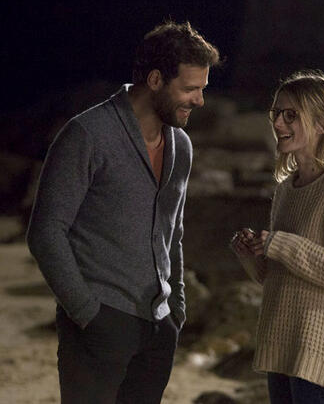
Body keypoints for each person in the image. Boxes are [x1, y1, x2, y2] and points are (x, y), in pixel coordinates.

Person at [26, 21, 219, 404]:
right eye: (190, 89)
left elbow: (172, 234)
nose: (199, 100)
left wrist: (176, 309)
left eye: (203, 89)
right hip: (100, 322)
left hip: (159, 328)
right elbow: (46, 232)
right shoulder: (88, 134)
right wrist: (86, 312)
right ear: (155, 80)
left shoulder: (181, 145)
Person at [231, 70, 324, 404]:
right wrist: (252, 254)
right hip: (284, 351)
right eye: (276, 114)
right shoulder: (286, 189)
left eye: (291, 115)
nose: (278, 123)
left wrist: (280, 244)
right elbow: (281, 276)